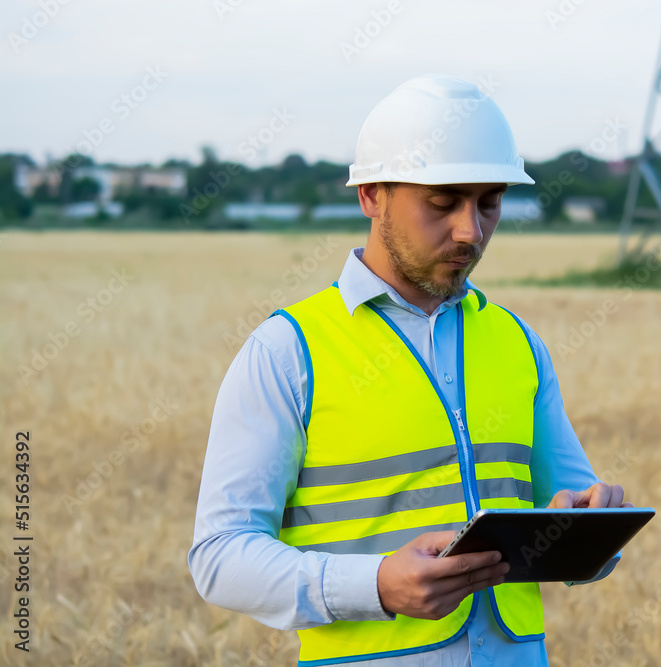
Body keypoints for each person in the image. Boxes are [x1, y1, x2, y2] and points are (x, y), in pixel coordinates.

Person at [188, 74, 631, 666]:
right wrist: (375, 586)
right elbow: (219, 557)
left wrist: (590, 525)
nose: (470, 231)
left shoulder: (518, 342)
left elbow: (574, 519)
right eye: (443, 203)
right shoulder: (287, 352)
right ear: (372, 195)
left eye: (489, 203)